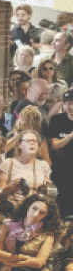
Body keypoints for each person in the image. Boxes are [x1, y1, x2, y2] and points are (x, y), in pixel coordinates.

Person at [48, 88, 73, 217]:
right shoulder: (57, 120)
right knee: (62, 210)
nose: (70, 107)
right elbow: (53, 145)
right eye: (67, 103)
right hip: (61, 172)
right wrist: (70, 136)